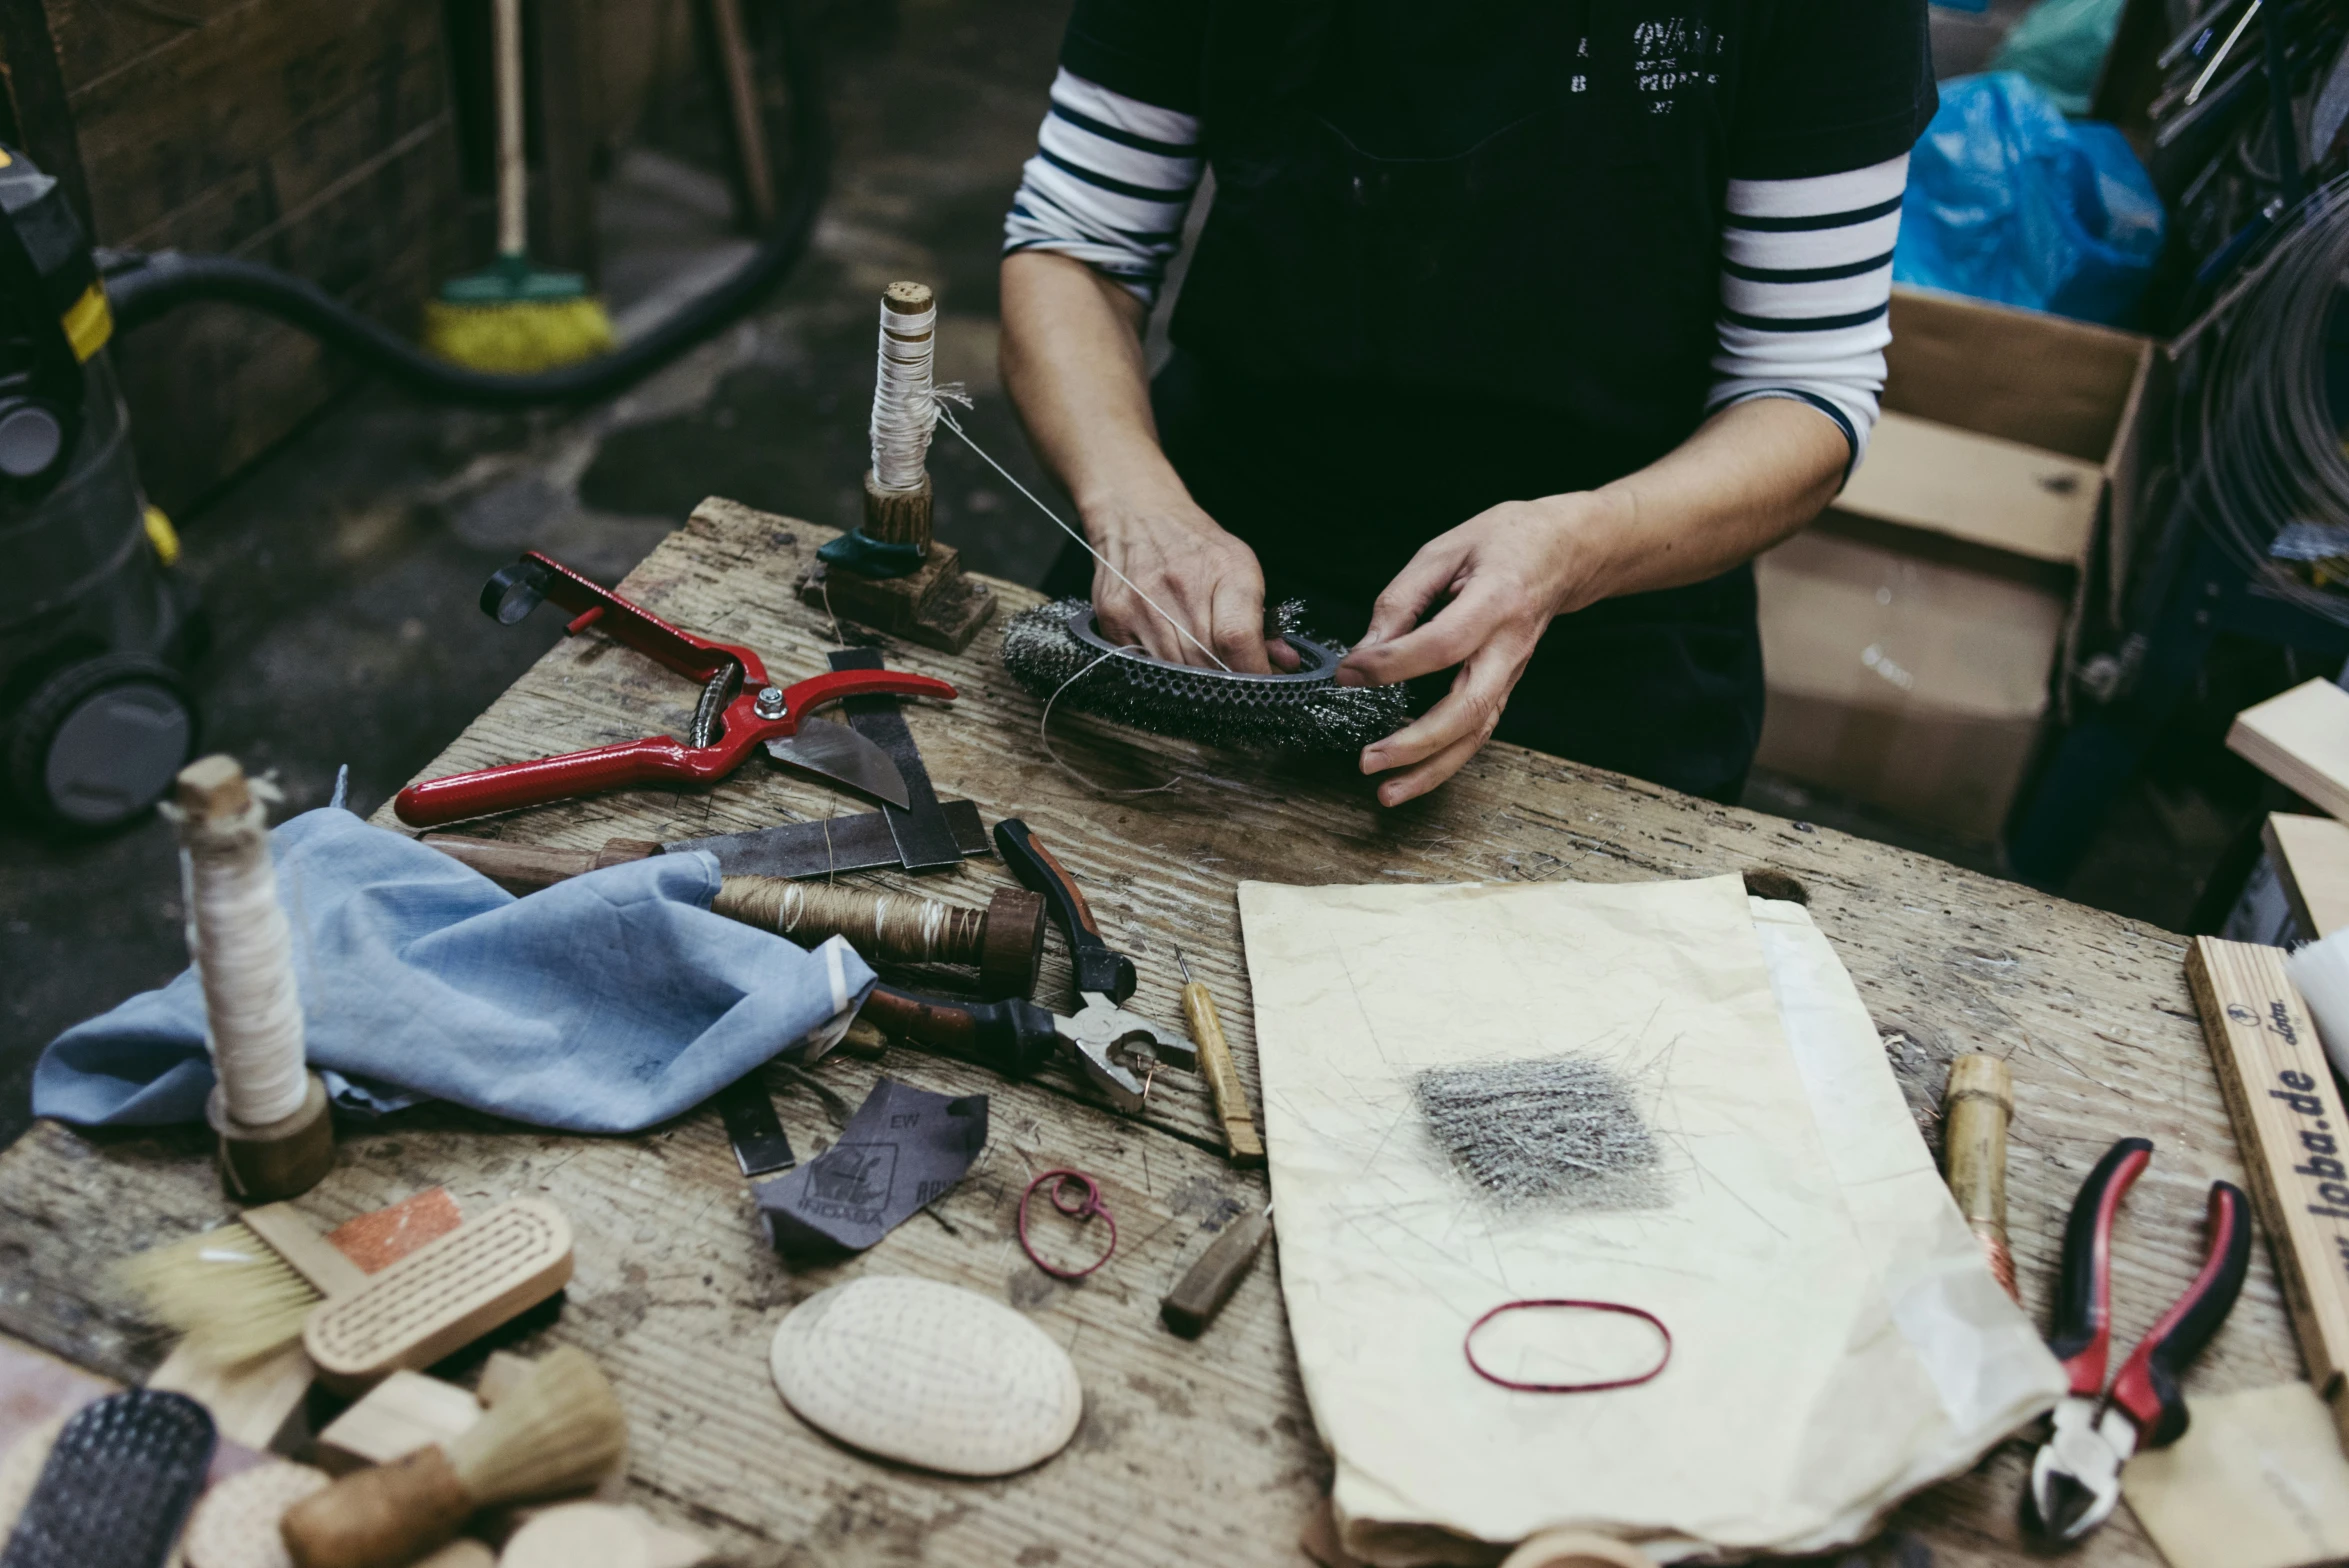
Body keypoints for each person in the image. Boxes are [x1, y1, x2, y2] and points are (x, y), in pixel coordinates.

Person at [997, 1, 1936, 807]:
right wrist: (1135, 507)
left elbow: (1803, 387)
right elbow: (1076, 247)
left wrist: (1576, 550)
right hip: (1197, 590)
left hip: (1605, 614)